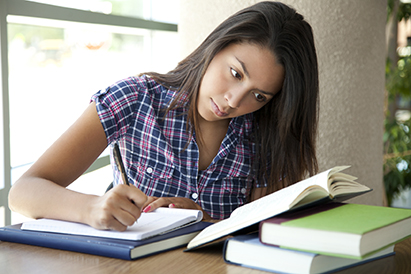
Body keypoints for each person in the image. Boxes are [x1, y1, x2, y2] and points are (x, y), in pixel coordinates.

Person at [9, 1, 319, 232]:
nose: (234, 101)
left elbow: (265, 233)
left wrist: (203, 219)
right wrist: (90, 207)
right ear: (215, 47)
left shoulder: (265, 134)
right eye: (236, 73)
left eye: (259, 95)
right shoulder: (136, 98)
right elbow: (23, 192)